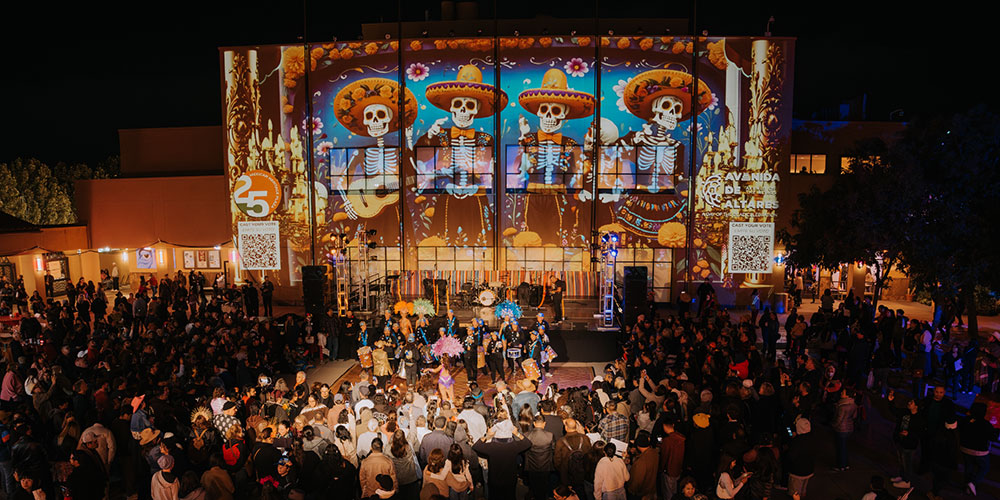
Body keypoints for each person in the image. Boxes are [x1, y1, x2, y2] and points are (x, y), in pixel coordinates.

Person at [959, 401, 999, 496]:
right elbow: (993, 438)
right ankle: (973, 482)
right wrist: (997, 429)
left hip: (965, 448)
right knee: (984, 468)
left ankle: (967, 487)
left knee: (969, 467)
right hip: (980, 452)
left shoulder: (966, 420)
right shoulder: (986, 424)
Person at [887, 391, 923, 489]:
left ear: (916, 406)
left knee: (907, 463)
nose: (909, 403)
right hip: (900, 441)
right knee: (901, 461)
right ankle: (902, 476)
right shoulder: (905, 412)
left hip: (909, 445)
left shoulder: (919, 418)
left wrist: (909, 434)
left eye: (911, 402)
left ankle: (907, 481)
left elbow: (920, 432)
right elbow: (895, 411)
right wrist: (890, 401)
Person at [830, 387, 858, 471]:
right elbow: (854, 416)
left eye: (843, 392)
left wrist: (833, 425)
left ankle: (841, 466)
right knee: (844, 447)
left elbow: (839, 419)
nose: (841, 393)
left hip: (841, 429)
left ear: (847, 395)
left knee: (840, 448)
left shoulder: (842, 406)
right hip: (849, 428)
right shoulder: (854, 405)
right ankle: (845, 464)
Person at [626, 432, 658, 500]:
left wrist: (631, 490)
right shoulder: (655, 453)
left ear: (638, 446)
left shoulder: (641, 462)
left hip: (641, 493)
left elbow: (637, 481)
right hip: (651, 488)